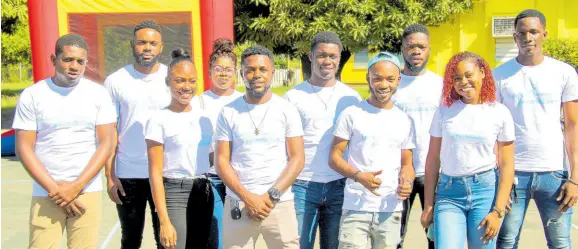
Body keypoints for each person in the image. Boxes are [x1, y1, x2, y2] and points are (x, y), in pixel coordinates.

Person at [13, 34, 116, 248]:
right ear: (54, 59)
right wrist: (57, 191)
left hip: (86, 191)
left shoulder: (98, 94)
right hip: (47, 192)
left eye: (80, 61)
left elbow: (106, 144)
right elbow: (24, 148)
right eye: (68, 59)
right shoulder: (32, 95)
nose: (74, 66)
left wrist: (75, 187)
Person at [494, 9, 578, 249]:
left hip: (554, 173)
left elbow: (573, 126)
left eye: (533, 32)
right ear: (514, 37)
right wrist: (498, 175)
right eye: (521, 33)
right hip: (513, 174)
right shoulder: (499, 75)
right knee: (507, 241)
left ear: (544, 34)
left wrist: (575, 178)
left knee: (560, 243)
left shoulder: (564, 73)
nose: (527, 37)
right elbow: (494, 132)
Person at [420, 51, 515, 249]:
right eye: (457, 78)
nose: (463, 82)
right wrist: (429, 204)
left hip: (485, 191)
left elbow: (507, 164)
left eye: (468, 75)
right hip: (449, 193)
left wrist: (498, 211)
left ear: (482, 73)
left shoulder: (499, 112)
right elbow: (433, 158)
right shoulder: (445, 110)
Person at [214, 45, 304, 249]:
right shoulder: (228, 112)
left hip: (279, 205)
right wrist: (248, 197)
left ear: (272, 72)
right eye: (250, 69)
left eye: (263, 69)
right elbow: (221, 161)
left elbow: (297, 158)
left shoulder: (287, 110)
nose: (256, 75)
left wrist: (270, 196)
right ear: (242, 73)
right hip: (239, 204)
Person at [329, 52, 415, 249]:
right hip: (355, 207)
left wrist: (407, 182)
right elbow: (334, 157)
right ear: (368, 78)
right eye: (377, 78)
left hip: (390, 208)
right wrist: (358, 176)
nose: (383, 84)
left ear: (398, 80)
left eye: (390, 79)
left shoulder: (404, 120)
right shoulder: (352, 114)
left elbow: (407, 164)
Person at [283, 31, 361, 249]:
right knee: (299, 245)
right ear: (310, 56)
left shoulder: (351, 98)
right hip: (302, 185)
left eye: (333, 56)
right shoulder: (292, 97)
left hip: (340, 184)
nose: (327, 61)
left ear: (339, 59)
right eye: (321, 55)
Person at [104, 20, 169, 248]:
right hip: (127, 174)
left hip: (166, 173)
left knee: (167, 238)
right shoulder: (115, 81)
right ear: (133, 45)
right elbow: (109, 131)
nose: (147, 47)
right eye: (142, 42)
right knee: (130, 239)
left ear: (161, 47)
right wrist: (110, 176)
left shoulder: (173, 79)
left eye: (153, 43)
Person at [146, 49, 215, 249]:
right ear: (168, 82)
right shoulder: (158, 119)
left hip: (203, 191)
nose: (186, 87)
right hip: (174, 193)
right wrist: (164, 221)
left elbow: (210, 157)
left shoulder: (205, 118)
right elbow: (155, 173)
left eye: (192, 81)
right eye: (180, 81)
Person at [392, 24, 442, 249]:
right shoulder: (392, 83)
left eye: (421, 46)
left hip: (434, 170)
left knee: (435, 236)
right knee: (393, 237)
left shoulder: (440, 84)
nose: (416, 51)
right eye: (411, 46)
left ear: (429, 49)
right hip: (398, 172)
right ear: (402, 49)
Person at [200, 38, 244, 249]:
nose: (224, 74)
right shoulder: (199, 102)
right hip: (211, 179)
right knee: (215, 235)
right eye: (218, 68)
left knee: (238, 236)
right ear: (209, 71)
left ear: (236, 72)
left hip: (239, 181)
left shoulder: (244, 101)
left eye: (229, 69)